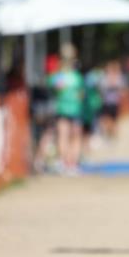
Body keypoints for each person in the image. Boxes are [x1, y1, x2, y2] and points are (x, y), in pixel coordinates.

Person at [49, 43, 85, 175]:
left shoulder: (57, 76)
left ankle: (66, 163)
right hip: (72, 110)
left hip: (64, 110)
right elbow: (81, 95)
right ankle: (71, 164)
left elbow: (54, 89)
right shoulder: (76, 77)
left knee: (64, 136)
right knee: (73, 137)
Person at [97, 59, 125, 140]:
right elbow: (101, 89)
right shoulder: (104, 78)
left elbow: (123, 90)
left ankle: (113, 135)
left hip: (116, 103)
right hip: (106, 103)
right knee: (105, 120)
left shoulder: (120, 78)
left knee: (115, 121)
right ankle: (107, 135)